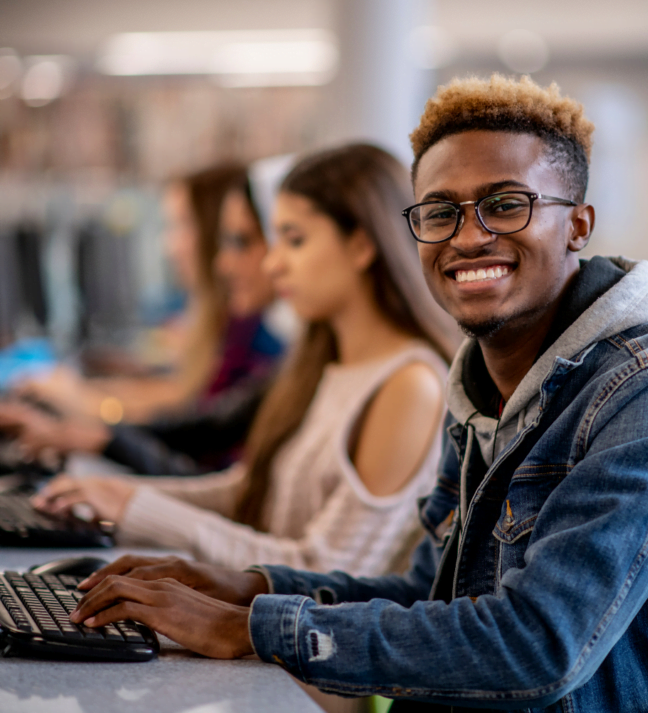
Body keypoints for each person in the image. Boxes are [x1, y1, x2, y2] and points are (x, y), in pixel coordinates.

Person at [66, 76, 648, 712]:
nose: (468, 236)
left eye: (505, 205)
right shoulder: (484, 384)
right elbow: (432, 597)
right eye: (440, 212)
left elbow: (538, 645)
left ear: (578, 224)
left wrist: (254, 628)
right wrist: (245, 586)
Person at [34, 143, 456, 580]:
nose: (273, 264)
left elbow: (325, 572)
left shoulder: (410, 383)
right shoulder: (328, 365)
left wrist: (135, 508)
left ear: (362, 245)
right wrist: (122, 496)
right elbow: (251, 492)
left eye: (294, 240)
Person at [0, 167, 284, 475]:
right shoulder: (240, 333)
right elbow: (188, 414)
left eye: (181, 225)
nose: (169, 245)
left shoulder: (257, 341)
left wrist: (90, 412)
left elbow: (190, 426)